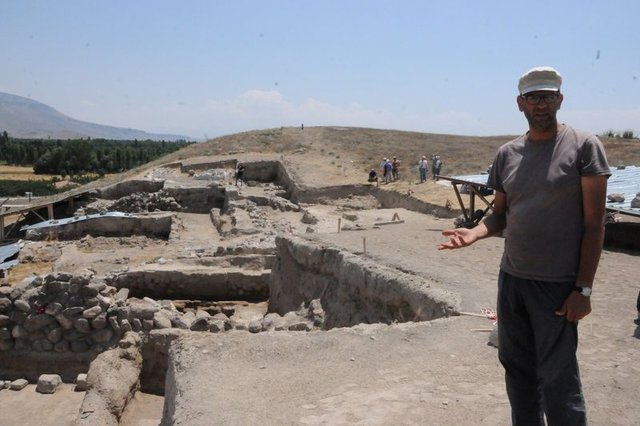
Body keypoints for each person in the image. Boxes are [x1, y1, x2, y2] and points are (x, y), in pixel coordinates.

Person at [438, 66, 610, 425]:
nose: (541, 104)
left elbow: (594, 225)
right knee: (518, 374)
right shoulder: (507, 154)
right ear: (520, 104)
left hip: (557, 286)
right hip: (512, 281)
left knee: (559, 378)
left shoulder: (584, 147)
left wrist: (583, 288)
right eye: (533, 98)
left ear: (560, 99)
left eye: (548, 96)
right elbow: (499, 215)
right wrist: (473, 233)